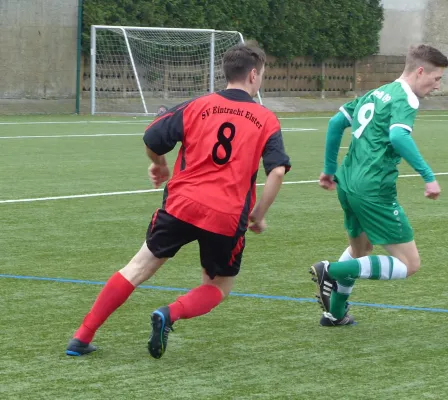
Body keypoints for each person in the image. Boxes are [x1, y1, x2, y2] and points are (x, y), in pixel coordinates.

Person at [66, 43, 291, 358]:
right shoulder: (266, 119)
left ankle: (81, 337)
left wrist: (159, 163)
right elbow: (277, 172)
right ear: (253, 74)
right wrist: (258, 213)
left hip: (181, 204)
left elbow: (152, 138)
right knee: (218, 286)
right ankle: (168, 314)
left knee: (138, 267)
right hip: (226, 216)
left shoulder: (197, 105)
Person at [309, 44, 448, 326]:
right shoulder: (406, 99)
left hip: (348, 182)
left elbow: (336, 123)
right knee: (410, 265)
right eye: (436, 79)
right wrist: (428, 175)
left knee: (360, 251)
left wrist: (328, 169)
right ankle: (331, 270)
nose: (437, 86)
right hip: (373, 188)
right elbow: (398, 138)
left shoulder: (375, 93)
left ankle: (334, 314)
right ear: (420, 71)